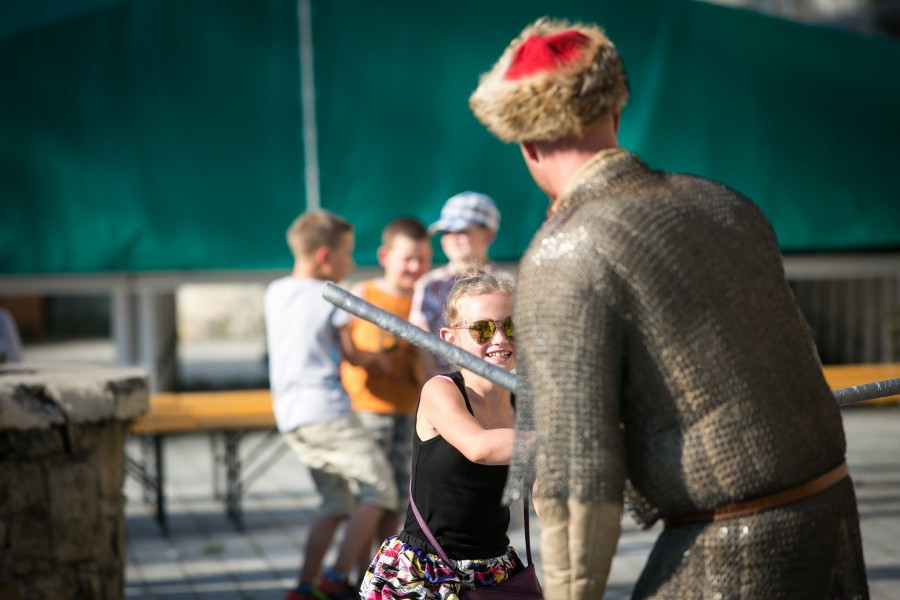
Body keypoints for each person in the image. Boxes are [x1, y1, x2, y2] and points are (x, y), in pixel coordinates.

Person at [469, 18, 867, 599]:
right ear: (615, 116)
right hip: (833, 515)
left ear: (526, 144)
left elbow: (576, 470)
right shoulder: (727, 204)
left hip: (730, 547)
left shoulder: (565, 250)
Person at [360, 263, 525, 599]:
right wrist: (564, 437)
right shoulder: (441, 390)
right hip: (427, 570)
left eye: (510, 326)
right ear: (450, 339)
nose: (500, 338)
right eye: (482, 330)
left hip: (493, 568)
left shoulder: (521, 401)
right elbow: (478, 447)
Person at [264, 210, 399, 600]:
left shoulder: (275, 292)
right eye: (347, 253)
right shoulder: (331, 294)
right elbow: (353, 354)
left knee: (335, 501)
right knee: (380, 489)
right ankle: (337, 577)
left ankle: (303, 588)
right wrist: (380, 359)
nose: (351, 262)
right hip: (326, 410)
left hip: (291, 415)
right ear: (325, 256)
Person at [339, 216, 433, 571]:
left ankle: (381, 570)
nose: (415, 266)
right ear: (384, 255)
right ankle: (354, 571)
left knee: (395, 498)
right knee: (371, 495)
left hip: (408, 411)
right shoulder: (364, 294)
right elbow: (343, 343)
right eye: (407, 258)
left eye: (423, 259)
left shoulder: (423, 300)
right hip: (368, 408)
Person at [409, 191, 503, 377]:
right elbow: (421, 339)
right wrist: (436, 382)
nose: (452, 238)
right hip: (443, 382)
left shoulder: (506, 284)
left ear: (488, 234)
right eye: (446, 232)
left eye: (462, 231)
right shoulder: (429, 284)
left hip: (495, 382)